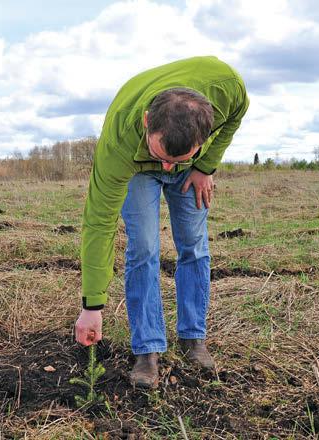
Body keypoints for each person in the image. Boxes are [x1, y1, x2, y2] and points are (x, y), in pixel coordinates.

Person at [75, 56, 249, 388]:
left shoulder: (229, 89)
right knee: (143, 249)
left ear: (205, 132)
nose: (167, 168)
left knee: (194, 245)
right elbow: (99, 223)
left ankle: (193, 339)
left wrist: (204, 166)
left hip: (193, 171)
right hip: (138, 169)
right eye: (162, 156)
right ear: (145, 122)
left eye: (177, 160)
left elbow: (235, 118)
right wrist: (92, 305)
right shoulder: (120, 141)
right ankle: (147, 350)